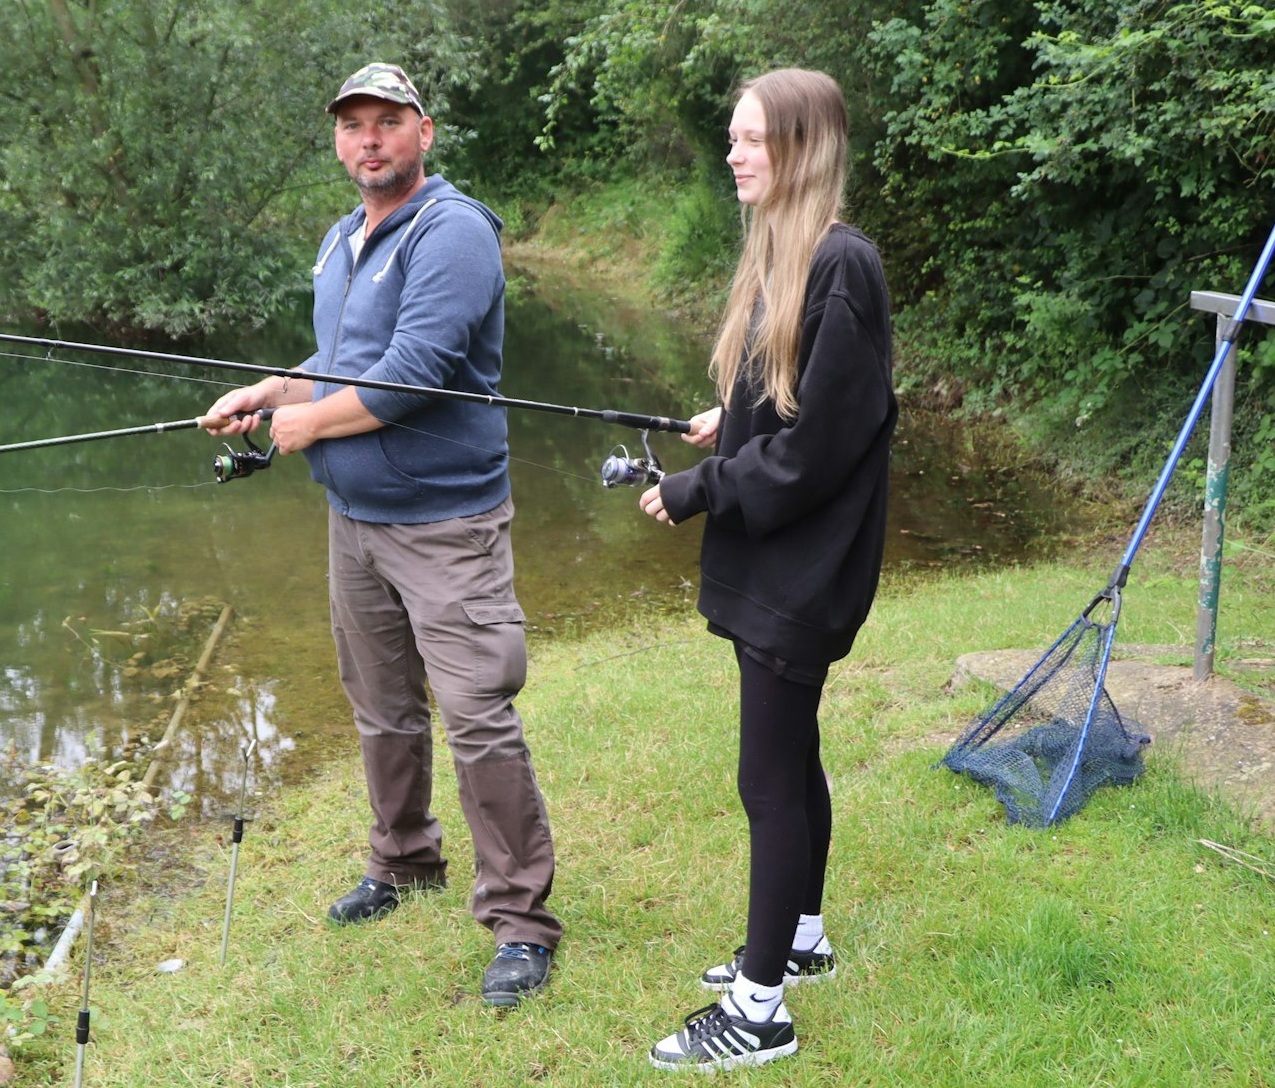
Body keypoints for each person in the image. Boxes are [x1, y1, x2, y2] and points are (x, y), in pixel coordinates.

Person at [206, 62, 561, 1007]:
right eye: (354, 124)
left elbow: (413, 373)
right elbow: (344, 361)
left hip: (446, 524)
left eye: (388, 122)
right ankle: (403, 861)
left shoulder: (454, 232)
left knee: (478, 714)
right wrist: (274, 390)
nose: (370, 138)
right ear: (337, 140)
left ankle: (521, 921)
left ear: (424, 133)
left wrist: (309, 424)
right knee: (381, 706)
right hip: (354, 523)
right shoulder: (340, 239)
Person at [636, 68, 896, 1072]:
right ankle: (798, 940)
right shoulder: (789, 257)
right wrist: (729, 422)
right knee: (793, 759)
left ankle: (758, 1012)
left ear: (799, 148)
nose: (734, 153)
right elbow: (789, 406)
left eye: (750, 139)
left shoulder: (841, 264)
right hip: (779, 563)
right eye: (733, 137)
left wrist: (702, 485)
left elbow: (822, 446)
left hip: (806, 569)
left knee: (765, 780)